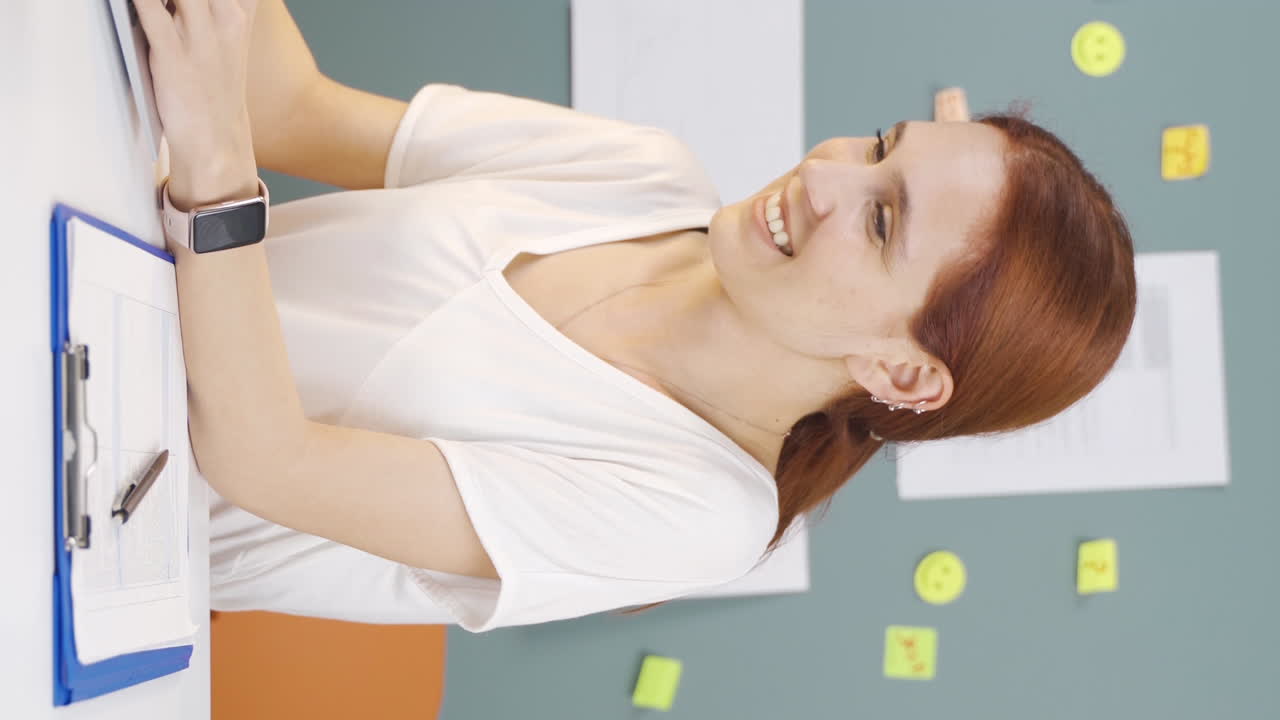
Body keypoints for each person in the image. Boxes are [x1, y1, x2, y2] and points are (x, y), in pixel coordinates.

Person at [137, 0, 1136, 633]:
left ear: (902, 371)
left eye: (881, 221)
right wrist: (222, 120)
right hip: (91, 266)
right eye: (879, 145)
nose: (825, 175)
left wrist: (215, 164)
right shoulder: (645, 173)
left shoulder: (698, 515)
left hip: (90, 510)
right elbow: (293, 110)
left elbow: (268, 460)